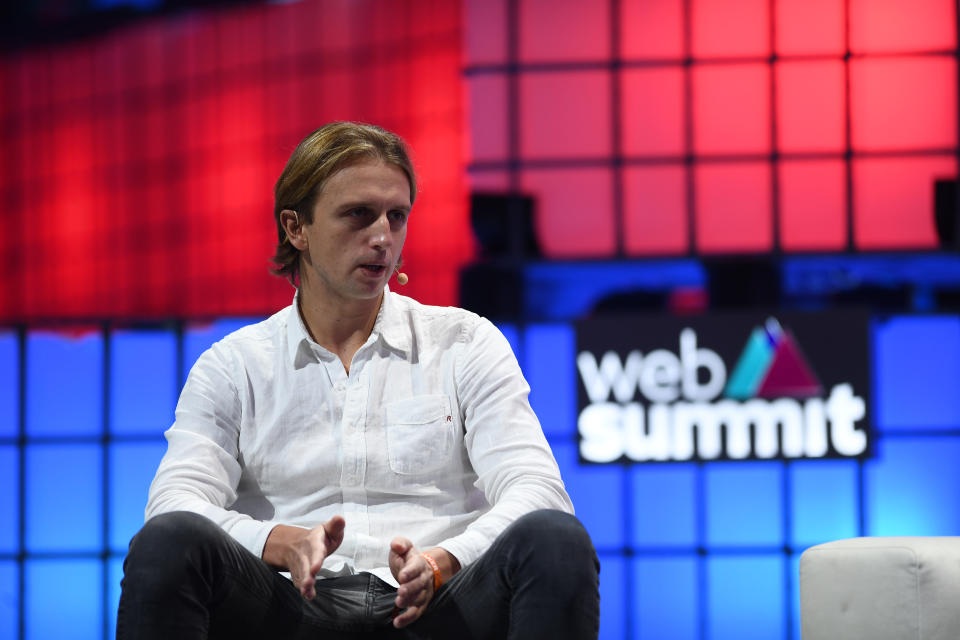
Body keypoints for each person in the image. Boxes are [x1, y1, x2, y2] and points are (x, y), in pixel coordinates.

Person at [117, 121, 599, 639]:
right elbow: (173, 502)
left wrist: (444, 560)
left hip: (438, 607)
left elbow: (539, 490)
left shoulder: (465, 343)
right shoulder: (233, 365)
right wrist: (281, 542)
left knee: (555, 538)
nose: (382, 238)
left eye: (397, 217)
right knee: (167, 542)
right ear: (295, 228)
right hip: (289, 605)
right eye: (358, 215)